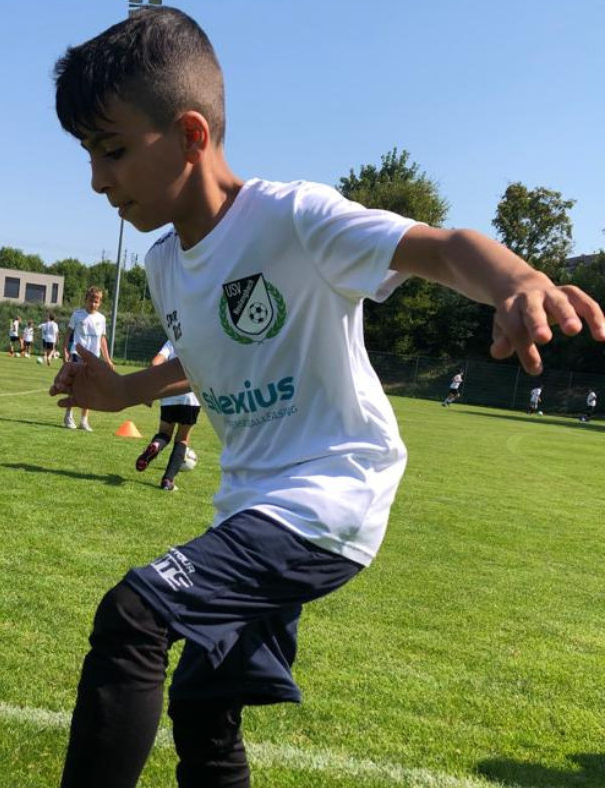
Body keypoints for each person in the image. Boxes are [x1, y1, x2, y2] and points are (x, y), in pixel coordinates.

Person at [49, 9, 605, 788]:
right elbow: (212, 363)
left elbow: (438, 246)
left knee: (135, 615)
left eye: (112, 151)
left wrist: (519, 281)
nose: (98, 179)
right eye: (87, 155)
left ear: (190, 135)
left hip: (332, 490)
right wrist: (125, 390)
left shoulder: (293, 217)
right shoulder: (164, 265)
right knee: (205, 706)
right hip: (249, 508)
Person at [136, 340, 202, 491]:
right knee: (182, 439)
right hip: (191, 397)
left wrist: (151, 388)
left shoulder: (173, 340)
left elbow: (155, 363)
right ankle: (167, 480)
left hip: (169, 394)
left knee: (164, 433)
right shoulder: (200, 340)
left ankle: (155, 445)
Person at [62, 286, 114, 431]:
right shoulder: (77, 315)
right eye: (91, 300)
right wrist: (65, 350)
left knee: (89, 389)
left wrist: (107, 359)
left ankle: (84, 420)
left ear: (100, 303)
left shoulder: (101, 319)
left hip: (93, 358)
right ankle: (68, 416)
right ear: (86, 300)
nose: (93, 304)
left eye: (97, 301)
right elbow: (68, 334)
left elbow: (102, 340)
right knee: (75, 386)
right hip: (77, 354)